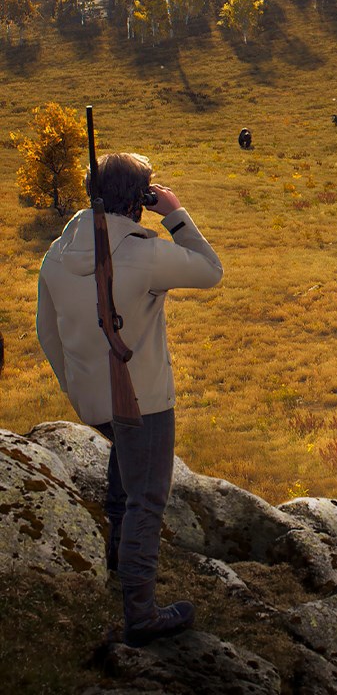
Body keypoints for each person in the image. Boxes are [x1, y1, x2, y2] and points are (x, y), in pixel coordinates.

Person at [36, 152, 222, 646]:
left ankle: (119, 558)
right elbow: (210, 270)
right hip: (146, 402)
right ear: (141, 199)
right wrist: (176, 212)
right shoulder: (143, 252)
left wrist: (76, 386)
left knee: (125, 469)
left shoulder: (56, 253)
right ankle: (140, 612)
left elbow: (46, 334)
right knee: (147, 499)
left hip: (93, 400)